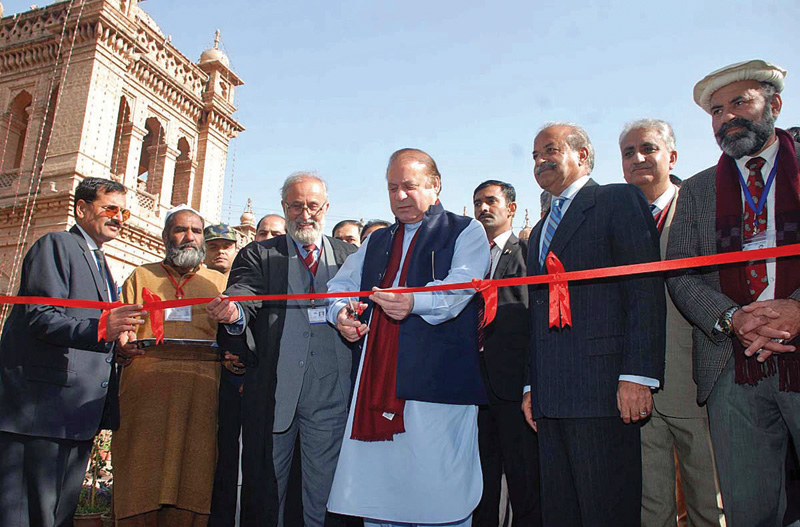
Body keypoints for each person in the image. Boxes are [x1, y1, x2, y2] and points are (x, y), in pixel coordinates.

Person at [324, 148, 490, 526]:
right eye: (392, 188)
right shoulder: (377, 240)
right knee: (380, 492)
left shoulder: (466, 230)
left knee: (439, 492)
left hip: (437, 384)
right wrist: (342, 315)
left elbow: (462, 287)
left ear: (435, 186)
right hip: (377, 379)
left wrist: (413, 301)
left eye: (410, 187)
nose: (400, 196)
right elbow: (339, 286)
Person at [666, 59, 800, 527]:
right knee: (748, 509)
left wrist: (796, 310)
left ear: (775, 104)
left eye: (739, 103)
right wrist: (733, 319)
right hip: (732, 364)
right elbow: (680, 274)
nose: (726, 118)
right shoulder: (700, 189)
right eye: (716, 111)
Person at [522, 123, 666, 527]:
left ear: (582, 155)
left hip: (603, 389)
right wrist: (532, 385)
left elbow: (643, 290)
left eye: (549, 150)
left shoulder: (617, 200)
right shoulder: (539, 232)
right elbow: (538, 313)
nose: (540, 161)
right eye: (534, 156)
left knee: (606, 509)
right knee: (561, 511)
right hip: (551, 397)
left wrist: (638, 375)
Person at [207, 172, 357, 527]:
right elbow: (244, 290)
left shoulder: (350, 255)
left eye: (313, 206)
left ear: (327, 207)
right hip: (276, 394)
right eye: (295, 206)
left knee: (326, 493)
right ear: (284, 207)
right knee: (265, 491)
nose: (305, 214)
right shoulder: (261, 253)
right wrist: (233, 311)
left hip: (331, 395)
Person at [0, 177, 143, 527]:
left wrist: (118, 347)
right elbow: (41, 316)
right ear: (81, 208)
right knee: (29, 515)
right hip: (40, 412)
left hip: (74, 417)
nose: (119, 218)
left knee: (56, 517)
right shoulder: (57, 245)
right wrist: (101, 330)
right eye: (110, 208)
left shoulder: (100, 262)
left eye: (124, 212)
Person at [619, 119, 723, 527]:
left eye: (648, 148)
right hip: (636, 386)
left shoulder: (699, 209)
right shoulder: (618, 220)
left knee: (705, 499)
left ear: (672, 156)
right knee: (652, 503)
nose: (638, 158)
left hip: (695, 381)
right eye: (628, 152)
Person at [112, 206, 228, 526]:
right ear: (166, 237)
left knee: (195, 479)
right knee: (140, 478)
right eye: (180, 230)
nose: (188, 237)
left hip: (201, 395)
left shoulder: (219, 282)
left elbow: (232, 337)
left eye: (196, 231)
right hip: (145, 396)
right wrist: (122, 342)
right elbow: (123, 330)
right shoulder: (141, 275)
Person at [471, 180, 541, 527]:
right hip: (472, 390)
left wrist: (531, 382)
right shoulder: (466, 261)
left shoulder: (528, 253)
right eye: (477, 203)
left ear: (511, 208)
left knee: (523, 479)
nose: (484, 208)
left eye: (491, 201)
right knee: (480, 483)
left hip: (514, 388)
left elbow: (534, 323)